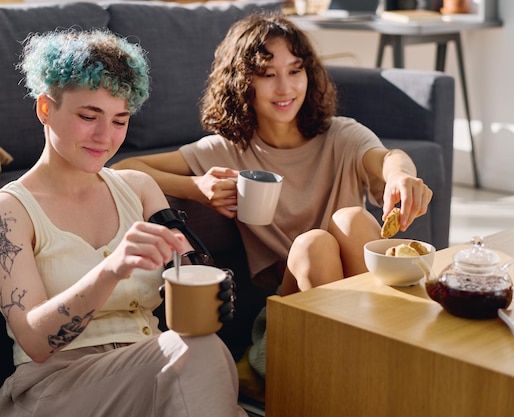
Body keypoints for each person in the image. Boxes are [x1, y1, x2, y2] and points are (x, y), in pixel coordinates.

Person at [112, 12, 433, 377]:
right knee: (314, 244)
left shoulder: (342, 136)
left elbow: (388, 158)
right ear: (242, 82)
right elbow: (125, 168)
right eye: (268, 74)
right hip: (292, 314)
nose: (285, 88)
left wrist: (401, 176)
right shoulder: (227, 150)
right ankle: (373, 371)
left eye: (295, 71)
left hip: (368, 314)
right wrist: (197, 188)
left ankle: (378, 360)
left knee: (353, 218)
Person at [0, 28, 245, 417]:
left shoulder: (137, 187)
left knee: (200, 350)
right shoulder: (7, 212)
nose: (105, 137)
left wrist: (199, 276)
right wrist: (112, 269)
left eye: (120, 120)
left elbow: (187, 271)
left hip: (151, 371)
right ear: (45, 109)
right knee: (199, 355)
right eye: (89, 116)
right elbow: (33, 340)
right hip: (58, 387)